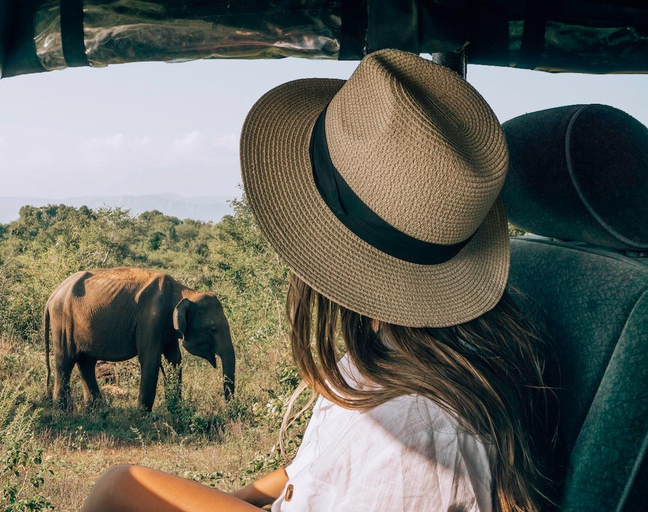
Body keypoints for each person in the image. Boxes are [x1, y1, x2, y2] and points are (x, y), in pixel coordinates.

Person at [82, 49, 559, 512]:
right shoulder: (392, 348)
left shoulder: (423, 438)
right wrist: (238, 496)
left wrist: (126, 487)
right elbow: (313, 469)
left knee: (118, 487)